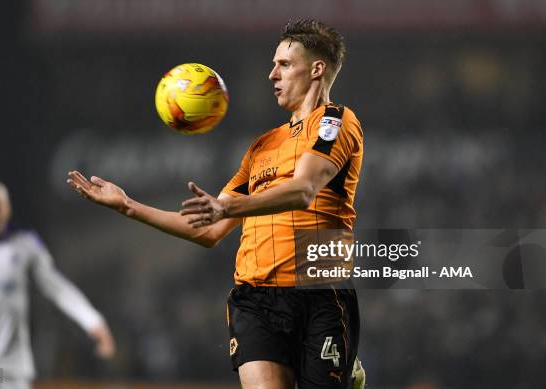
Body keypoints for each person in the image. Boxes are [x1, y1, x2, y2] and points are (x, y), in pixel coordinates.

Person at [67, 19, 364, 389]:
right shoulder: (262, 147)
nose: (272, 74)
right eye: (273, 64)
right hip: (256, 299)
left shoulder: (336, 121)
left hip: (320, 292)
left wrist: (228, 208)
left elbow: (303, 190)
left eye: (284, 65)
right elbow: (209, 230)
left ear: (317, 69)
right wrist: (127, 206)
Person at [0, 179, 116, 389]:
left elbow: (57, 288)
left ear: (8, 210)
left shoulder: (26, 246)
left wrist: (94, 322)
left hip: (12, 366)